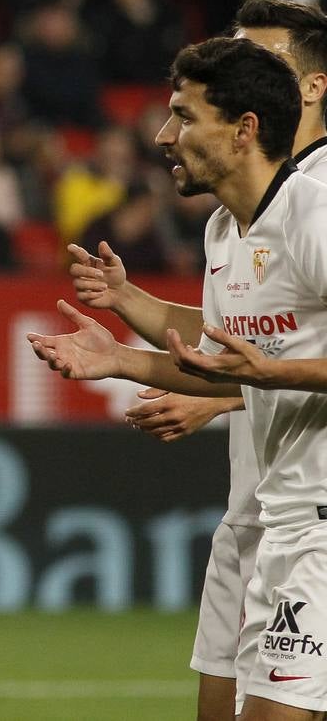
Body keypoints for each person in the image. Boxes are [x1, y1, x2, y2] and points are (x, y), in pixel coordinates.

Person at [28, 36, 327, 721]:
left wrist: (273, 374)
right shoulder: (227, 230)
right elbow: (223, 359)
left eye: (184, 116)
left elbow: (260, 369)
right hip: (281, 519)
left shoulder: (315, 216)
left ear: (244, 129)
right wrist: (121, 358)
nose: (165, 136)